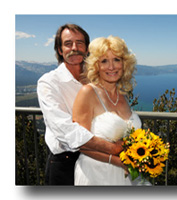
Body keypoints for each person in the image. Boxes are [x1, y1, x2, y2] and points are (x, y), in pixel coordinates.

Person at [37, 24, 123, 185]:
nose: (74, 48)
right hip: (66, 163)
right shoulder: (49, 82)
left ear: (87, 49)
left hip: (99, 163)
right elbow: (64, 129)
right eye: (68, 44)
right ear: (60, 50)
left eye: (80, 43)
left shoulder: (96, 80)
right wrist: (112, 149)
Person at [73, 36, 150, 185]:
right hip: (96, 176)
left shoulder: (122, 95)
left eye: (116, 60)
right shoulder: (87, 92)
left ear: (124, 63)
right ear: (96, 66)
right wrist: (117, 161)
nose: (111, 67)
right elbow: (80, 143)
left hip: (126, 177)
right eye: (104, 61)